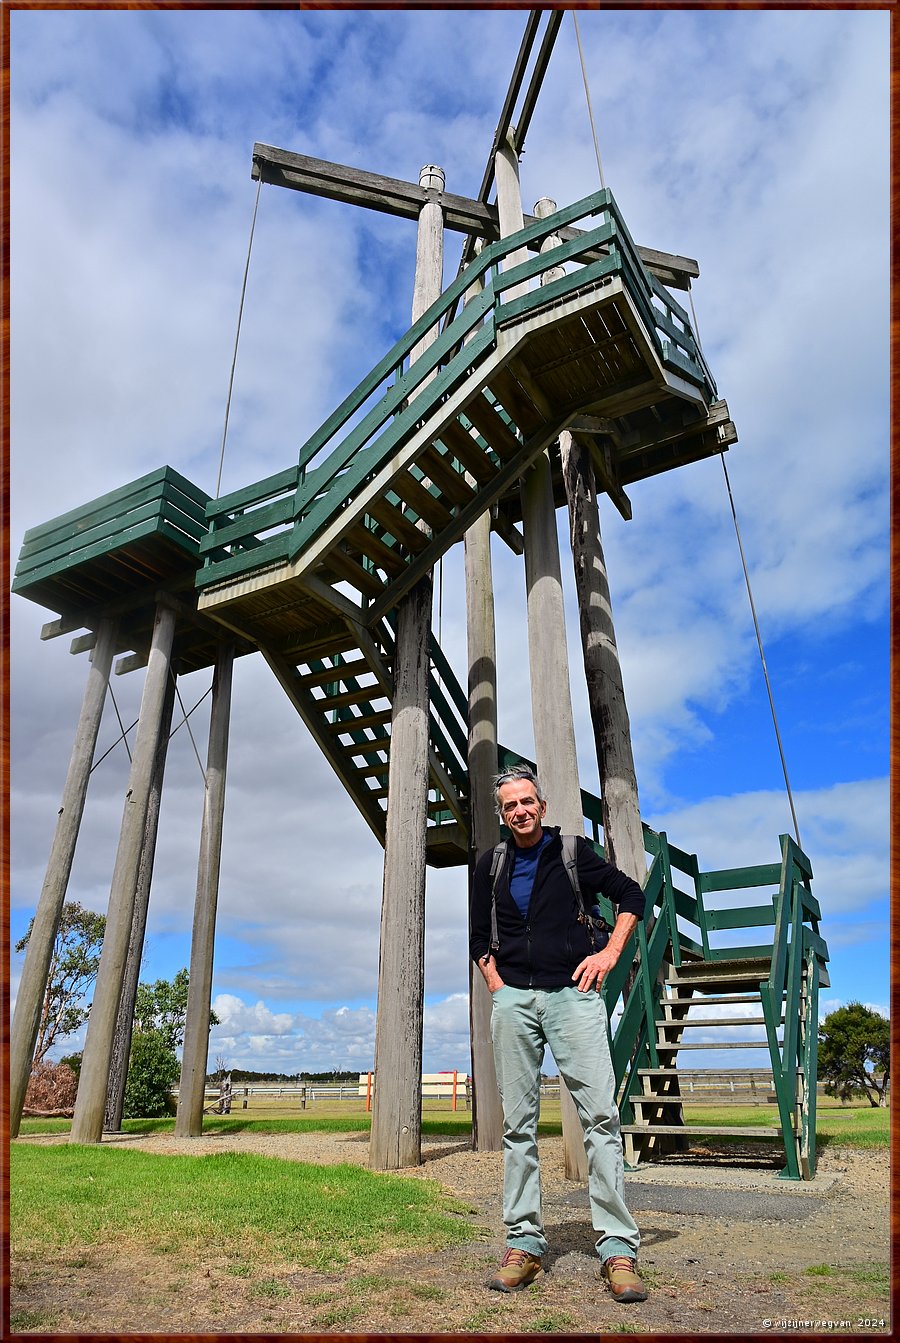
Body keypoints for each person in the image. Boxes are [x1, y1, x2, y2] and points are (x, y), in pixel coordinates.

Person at [469, 764, 648, 1304]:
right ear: (502, 815)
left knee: (599, 1118)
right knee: (518, 1125)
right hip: (515, 1001)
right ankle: (523, 1241)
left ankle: (618, 1248)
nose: (519, 811)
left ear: (541, 806)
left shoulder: (573, 853)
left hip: (574, 996)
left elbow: (632, 895)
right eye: (509, 806)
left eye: (527, 802)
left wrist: (610, 953)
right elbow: (480, 933)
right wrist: (497, 984)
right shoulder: (489, 864)